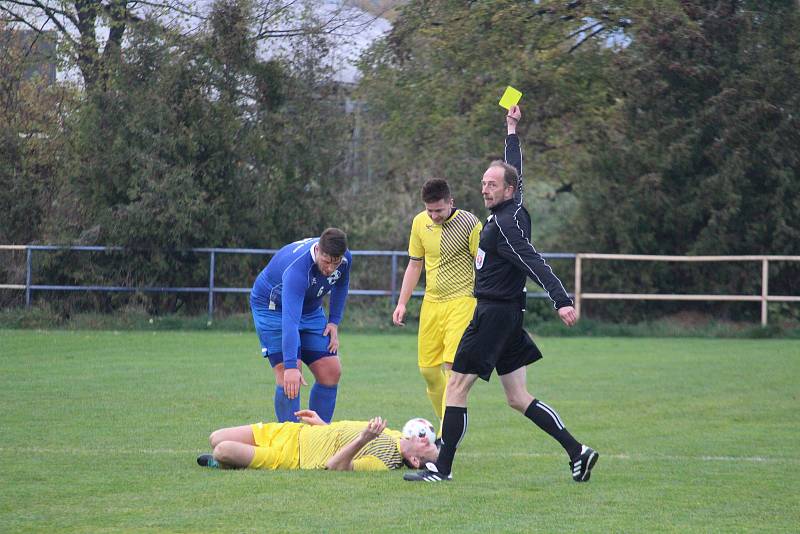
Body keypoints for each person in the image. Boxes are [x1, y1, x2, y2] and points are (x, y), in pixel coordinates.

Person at [404, 105, 598, 483]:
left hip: (492, 315)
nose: (484, 188)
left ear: (507, 191)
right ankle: (579, 451)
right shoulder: (512, 207)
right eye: (483, 183)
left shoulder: (507, 224)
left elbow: (534, 261)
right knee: (517, 397)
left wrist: (561, 300)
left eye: (492, 184)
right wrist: (511, 130)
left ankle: (440, 470)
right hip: (508, 317)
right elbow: (514, 170)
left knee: (456, 387)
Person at [392, 178, 482, 427]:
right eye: (429, 210)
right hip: (431, 304)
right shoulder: (420, 222)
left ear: (451, 202)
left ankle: (446, 437)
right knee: (429, 372)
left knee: (453, 369)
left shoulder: (470, 224)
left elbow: (482, 264)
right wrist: (401, 303)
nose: (433, 215)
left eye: (439, 210)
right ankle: (451, 421)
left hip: (462, 302)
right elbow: (414, 264)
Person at [250, 228, 351, 424]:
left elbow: (341, 284)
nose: (330, 268)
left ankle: (318, 437)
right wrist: (290, 366)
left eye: (335, 262)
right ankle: (292, 442)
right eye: (326, 261)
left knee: (331, 371)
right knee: (290, 377)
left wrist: (334, 322)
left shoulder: (344, 258)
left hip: (310, 309)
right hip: (273, 308)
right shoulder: (297, 270)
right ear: (318, 250)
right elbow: (290, 321)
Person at [196, 409, 439, 472]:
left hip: (292, 457)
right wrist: (322, 424)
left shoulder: (385, 462)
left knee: (222, 450)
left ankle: (224, 463)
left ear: (415, 461)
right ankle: (233, 461)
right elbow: (343, 431)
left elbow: (335, 465)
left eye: (428, 446)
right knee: (215, 437)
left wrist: (364, 439)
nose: (426, 439)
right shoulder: (394, 433)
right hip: (292, 432)